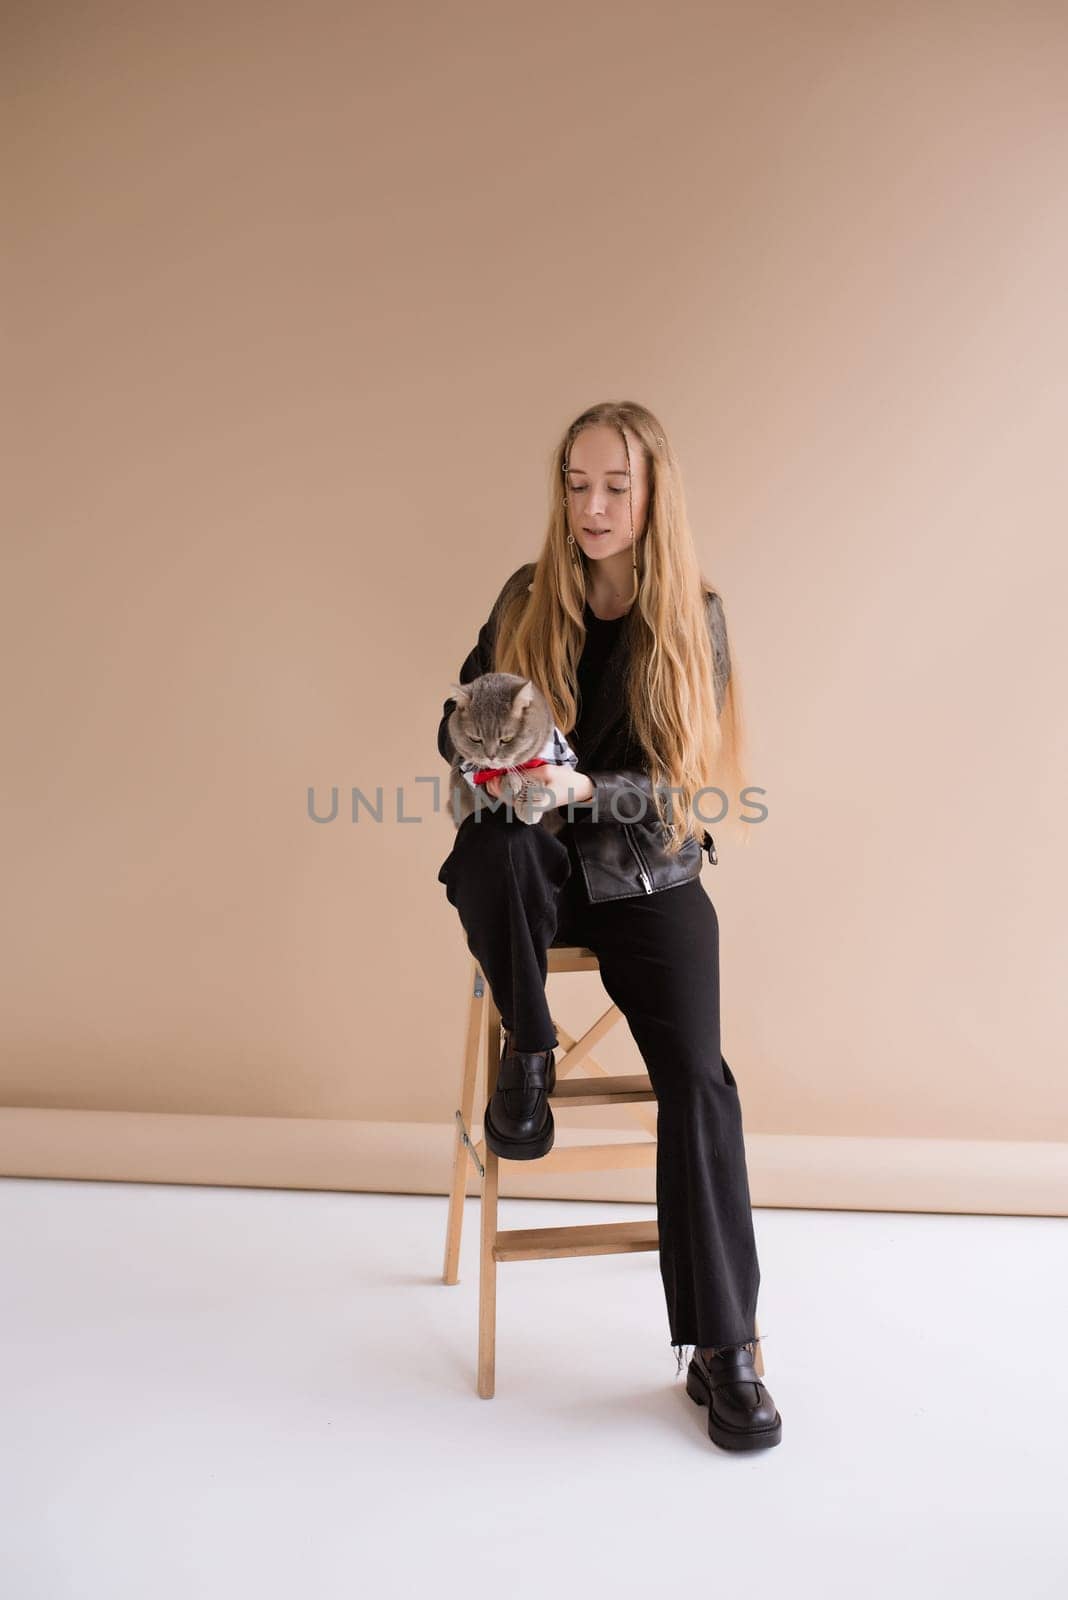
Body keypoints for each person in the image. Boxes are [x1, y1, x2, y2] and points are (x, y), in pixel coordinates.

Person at [436, 401, 781, 1451]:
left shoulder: (696, 615)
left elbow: (679, 784)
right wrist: (488, 747)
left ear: (650, 495)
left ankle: (725, 1350)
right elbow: (454, 720)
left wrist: (578, 786)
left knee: (700, 1080)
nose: (590, 506)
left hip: (646, 869)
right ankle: (528, 1048)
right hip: (532, 865)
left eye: (613, 487)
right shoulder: (529, 595)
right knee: (491, 845)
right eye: (576, 484)